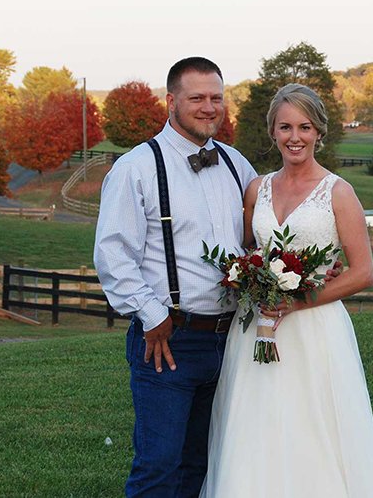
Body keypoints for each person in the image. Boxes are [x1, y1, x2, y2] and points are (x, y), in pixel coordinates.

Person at [201, 84, 373, 497]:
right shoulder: (258, 189)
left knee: (312, 428)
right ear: (272, 132)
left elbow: (362, 273)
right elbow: (249, 251)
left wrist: (295, 300)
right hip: (256, 329)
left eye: (305, 127)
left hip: (315, 332)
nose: (295, 137)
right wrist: (250, 277)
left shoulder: (338, 193)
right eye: (285, 127)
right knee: (254, 427)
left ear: (319, 132)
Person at [94, 57, 257, 497]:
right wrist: (152, 314)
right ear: (171, 102)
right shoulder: (136, 168)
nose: (209, 108)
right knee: (159, 467)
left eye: (217, 98)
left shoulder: (236, 165)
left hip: (229, 340)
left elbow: (259, 236)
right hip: (167, 340)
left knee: (203, 465)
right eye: (197, 98)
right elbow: (113, 255)